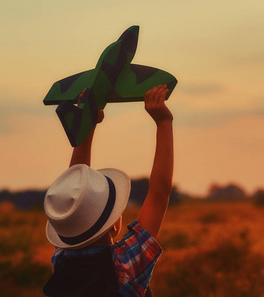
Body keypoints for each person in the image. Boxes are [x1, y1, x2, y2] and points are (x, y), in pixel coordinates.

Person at [43, 85, 174, 296]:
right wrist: (164, 122)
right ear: (114, 226)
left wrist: (88, 128)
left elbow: (74, 192)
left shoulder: (62, 265)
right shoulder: (125, 266)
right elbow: (160, 194)